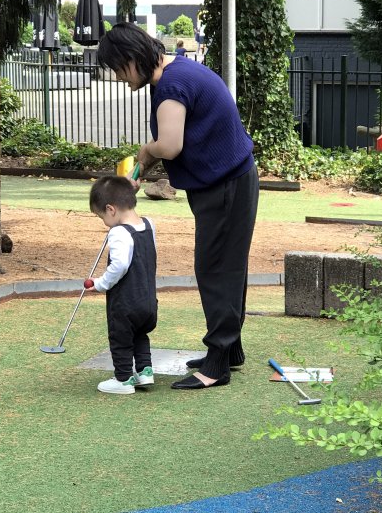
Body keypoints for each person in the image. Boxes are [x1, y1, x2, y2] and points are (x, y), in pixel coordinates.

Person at [96, 23, 259, 391]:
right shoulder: (176, 72)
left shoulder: (171, 85)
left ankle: (217, 364)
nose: (121, 79)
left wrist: (147, 151)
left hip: (226, 185)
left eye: (120, 69)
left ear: (133, 58)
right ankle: (230, 349)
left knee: (216, 269)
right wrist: (139, 171)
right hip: (227, 182)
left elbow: (169, 146)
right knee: (227, 267)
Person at [86, 175, 158, 395]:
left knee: (120, 338)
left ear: (111, 209)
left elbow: (120, 265)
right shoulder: (148, 224)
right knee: (140, 335)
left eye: (101, 217)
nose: (104, 223)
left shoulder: (118, 232)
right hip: (147, 300)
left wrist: (100, 284)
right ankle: (145, 372)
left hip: (125, 302)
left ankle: (123, 379)